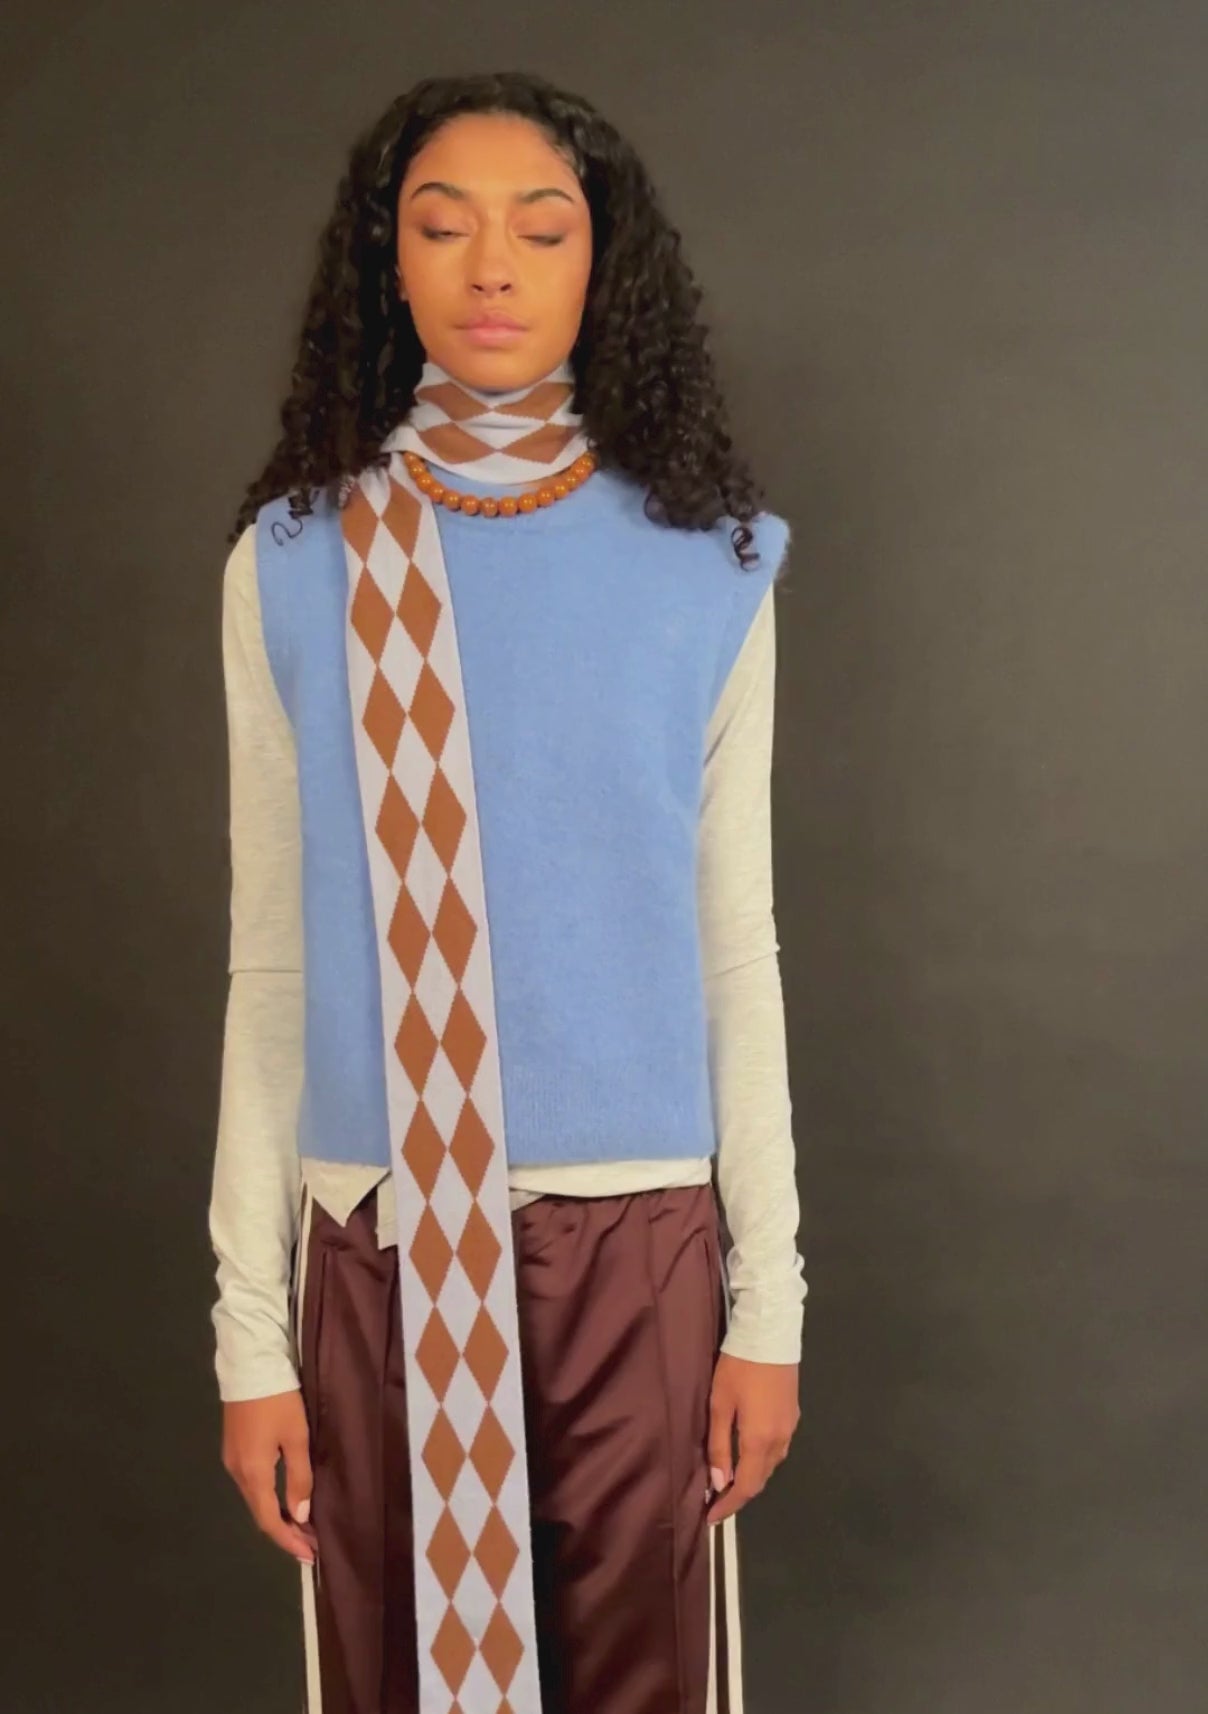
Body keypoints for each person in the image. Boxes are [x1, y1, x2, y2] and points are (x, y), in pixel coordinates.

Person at [209, 68, 806, 1714]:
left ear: (602, 267)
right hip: (379, 1238)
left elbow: (734, 946)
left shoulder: (711, 562)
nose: (491, 266)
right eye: (442, 226)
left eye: (542, 230)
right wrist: (250, 1333)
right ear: (384, 263)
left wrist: (769, 1302)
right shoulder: (295, 562)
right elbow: (272, 966)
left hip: (640, 1251)